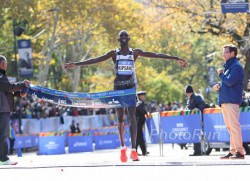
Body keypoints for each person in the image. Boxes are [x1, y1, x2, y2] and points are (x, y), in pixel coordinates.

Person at [62, 30, 188, 162]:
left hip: (130, 88)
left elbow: (155, 55)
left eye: (125, 35)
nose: (123, 37)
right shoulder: (114, 54)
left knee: (132, 118)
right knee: (120, 120)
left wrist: (175, 58)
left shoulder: (135, 53)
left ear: (129, 38)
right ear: (118, 39)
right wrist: (76, 64)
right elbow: (96, 60)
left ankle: (134, 150)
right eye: (121, 36)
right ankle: (123, 148)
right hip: (118, 88)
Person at [213, 44, 245, 159]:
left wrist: (220, 74)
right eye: (223, 52)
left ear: (233, 53)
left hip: (231, 101)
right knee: (230, 127)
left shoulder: (236, 66)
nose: (223, 54)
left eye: (226, 52)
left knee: (234, 126)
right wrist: (219, 86)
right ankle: (232, 151)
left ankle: (240, 151)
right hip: (226, 101)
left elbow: (230, 81)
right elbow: (227, 83)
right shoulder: (228, 67)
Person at [0, 55, 30, 165]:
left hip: (3, 108)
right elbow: (8, 87)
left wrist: (18, 92)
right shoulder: (1, 76)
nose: (6, 66)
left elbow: (6, 89)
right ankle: (3, 159)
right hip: (2, 110)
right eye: (6, 64)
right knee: (3, 134)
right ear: (2, 64)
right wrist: (23, 85)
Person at [185, 85, 207, 156]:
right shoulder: (190, 98)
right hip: (192, 119)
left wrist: (196, 109)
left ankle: (198, 151)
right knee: (194, 135)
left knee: (196, 134)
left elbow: (202, 106)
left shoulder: (196, 97)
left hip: (197, 119)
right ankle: (196, 151)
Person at [135, 91, 148, 156]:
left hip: (139, 123)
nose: (144, 97)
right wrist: (145, 112)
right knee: (138, 138)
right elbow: (138, 107)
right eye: (143, 95)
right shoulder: (140, 102)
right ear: (140, 96)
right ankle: (136, 151)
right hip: (138, 122)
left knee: (139, 138)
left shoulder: (139, 102)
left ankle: (143, 151)